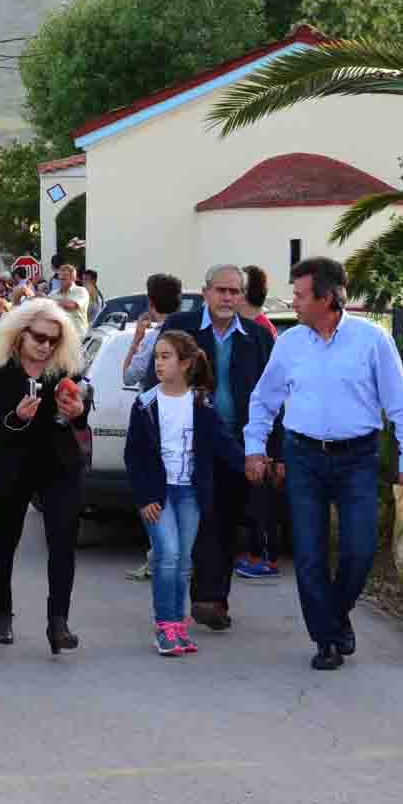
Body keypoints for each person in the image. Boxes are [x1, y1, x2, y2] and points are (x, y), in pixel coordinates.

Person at [245, 257, 403, 671]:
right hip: (303, 456)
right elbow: (264, 400)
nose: (293, 302)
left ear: (327, 298)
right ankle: (325, 639)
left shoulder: (372, 341)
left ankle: (337, 614)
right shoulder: (289, 343)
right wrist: (255, 447)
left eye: (300, 295)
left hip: (358, 457)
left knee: (360, 549)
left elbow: (401, 405)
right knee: (309, 554)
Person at [141, 264, 277, 631]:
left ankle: (212, 599)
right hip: (188, 444)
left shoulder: (257, 336)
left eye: (234, 292)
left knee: (227, 521)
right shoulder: (180, 328)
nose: (227, 298)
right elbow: (153, 381)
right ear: (206, 293)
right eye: (221, 290)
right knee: (198, 521)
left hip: (238, 445)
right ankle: (199, 598)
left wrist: (271, 451)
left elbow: (275, 395)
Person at [0, 298, 93, 654]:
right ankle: (2, 613)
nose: (46, 346)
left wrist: (78, 411)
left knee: (62, 541)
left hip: (59, 465)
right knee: (6, 539)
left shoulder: (64, 369)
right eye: (40, 338)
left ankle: (58, 622)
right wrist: (17, 417)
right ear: (20, 334)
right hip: (13, 464)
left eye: (54, 340)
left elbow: (79, 413)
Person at [126, 330, 245, 657]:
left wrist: (252, 464)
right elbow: (134, 456)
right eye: (156, 357)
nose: (158, 363)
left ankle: (178, 625)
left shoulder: (200, 403)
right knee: (167, 555)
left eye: (166, 357)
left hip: (190, 493)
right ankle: (165, 627)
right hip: (158, 494)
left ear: (186, 363)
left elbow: (223, 444)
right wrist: (144, 497)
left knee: (183, 561)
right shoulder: (146, 404)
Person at [121, 273, 187, 581]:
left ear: (150, 302)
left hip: (156, 423)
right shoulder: (187, 335)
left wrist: (136, 338)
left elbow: (129, 375)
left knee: (154, 490)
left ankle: (159, 558)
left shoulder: (154, 338)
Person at [238, 263, 284, 577]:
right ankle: (256, 551)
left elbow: (272, 390)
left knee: (262, 497)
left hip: (263, 429)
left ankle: (265, 556)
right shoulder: (251, 326)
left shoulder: (261, 330)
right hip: (252, 427)